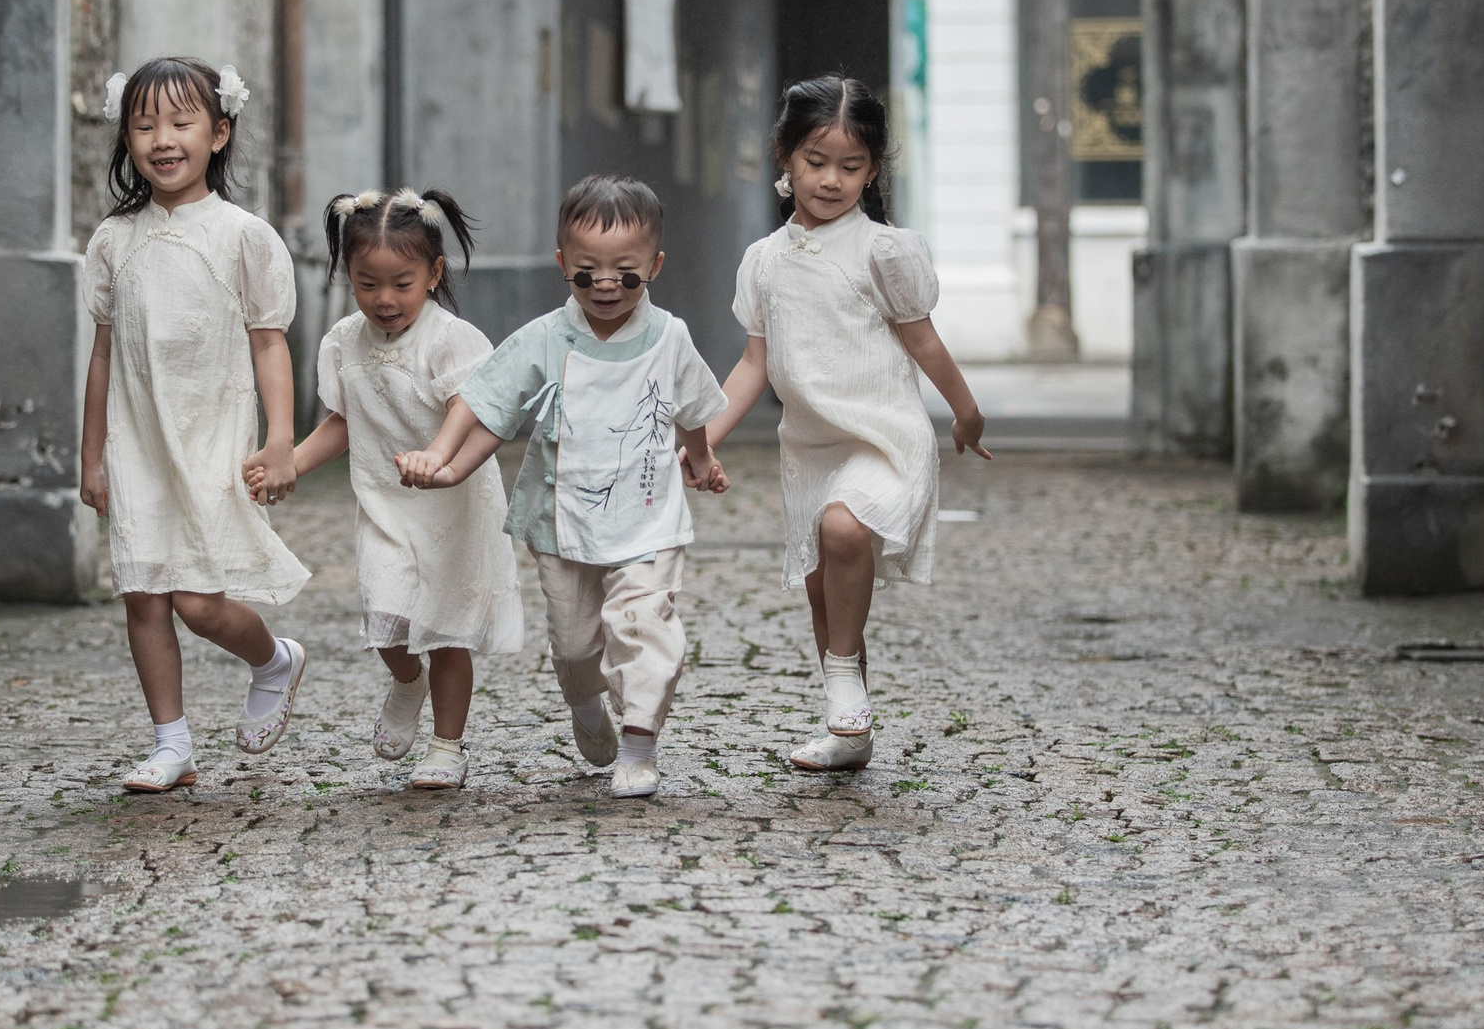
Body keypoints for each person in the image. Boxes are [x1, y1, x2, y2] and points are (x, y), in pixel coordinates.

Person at [397, 176, 727, 800]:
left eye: (626, 275)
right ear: (562, 265)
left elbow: (693, 407)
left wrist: (702, 459)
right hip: (562, 518)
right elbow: (488, 401)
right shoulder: (546, 337)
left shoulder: (671, 337)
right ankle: (587, 705)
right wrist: (444, 457)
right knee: (575, 647)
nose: (606, 285)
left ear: (654, 265)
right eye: (587, 273)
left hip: (647, 518)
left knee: (643, 624)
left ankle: (639, 742)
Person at [705, 74, 990, 774]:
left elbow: (924, 341)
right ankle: (849, 729)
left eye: (851, 165)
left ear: (875, 167)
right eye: (816, 161)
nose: (832, 179)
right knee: (823, 593)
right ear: (785, 156)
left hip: (887, 438)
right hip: (811, 447)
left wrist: (966, 408)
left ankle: (840, 681)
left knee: (843, 528)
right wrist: (701, 434)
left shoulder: (882, 251)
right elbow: (752, 364)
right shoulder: (765, 261)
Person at [80, 57, 311, 794]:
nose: (162, 138)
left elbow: (269, 339)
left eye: (181, 122)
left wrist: (279, 439)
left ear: (219, 132)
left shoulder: (243, 235)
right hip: (139, 440)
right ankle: (171, 742)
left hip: (214, 436)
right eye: (144, 124)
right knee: (143, 592)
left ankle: (274, 658)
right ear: (126, 135)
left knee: (198, 600)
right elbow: (104, 351)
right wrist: (94, 457)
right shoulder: (116, 239)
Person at [247, 189, 522, 790]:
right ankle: (406, 681)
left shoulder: (452, 339)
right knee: (386, 617)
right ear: (348, 276)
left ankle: (448, 745)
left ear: (434, 273)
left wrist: (437, 455)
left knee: (446, 630)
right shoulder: (344, 341)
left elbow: (470, 406)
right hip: (384, 503)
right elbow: (345, 421)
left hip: (452, 504)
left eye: (402, 282)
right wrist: (288, 462)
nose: (385, 299)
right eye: (368, 283)